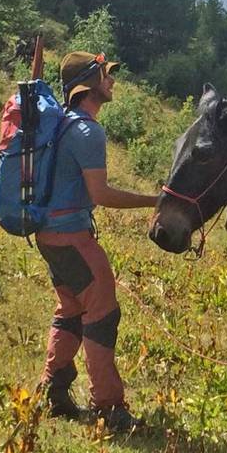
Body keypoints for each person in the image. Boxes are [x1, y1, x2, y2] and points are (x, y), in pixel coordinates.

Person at [36, 51, 158, 432]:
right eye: (107, 75)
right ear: (88, 84)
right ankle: (109, 406)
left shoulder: (61, 126)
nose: (113, 81)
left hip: (48, 236)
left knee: (70, 309)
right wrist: (155, 200)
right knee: (102, 316)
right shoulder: (88, 131)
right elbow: (101, 193)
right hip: (74, 239)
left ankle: (52, 391)